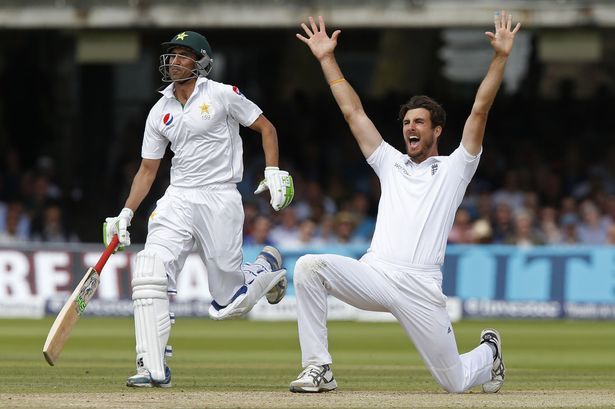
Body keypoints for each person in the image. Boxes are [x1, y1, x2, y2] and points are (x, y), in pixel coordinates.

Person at [292, 13, 520, 393]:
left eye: (419, 122)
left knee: (456, 383)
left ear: (436, 131)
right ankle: (319, 368)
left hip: (421, 287)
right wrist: (325, 58)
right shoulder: (389, 162)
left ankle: (488, 353)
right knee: (309, 267)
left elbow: (480, 109)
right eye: (406, 123)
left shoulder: (455, 168)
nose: (410, 128)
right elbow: (353, 112)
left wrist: (500, 58)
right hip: (376, 274)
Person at [102, 30, 294, 388]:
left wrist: (272, 170)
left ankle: (266, 269)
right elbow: (147, 170)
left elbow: (266, 128)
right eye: (171, 55)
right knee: (149, 269)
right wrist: (125, 212)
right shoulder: (160, 110)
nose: (173, 61)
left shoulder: (222, 94)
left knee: (228, 305)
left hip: (220, 196)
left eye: (182, 55)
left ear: (201, 62)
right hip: (178, 197)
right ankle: (152, 366)